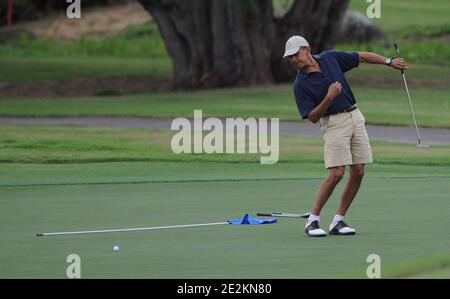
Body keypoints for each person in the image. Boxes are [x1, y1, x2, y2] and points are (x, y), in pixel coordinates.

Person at [283, 36, 407, 237]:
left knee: (358, 171)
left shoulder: (330, 58)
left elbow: (361, 56)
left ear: (306, 49)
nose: (294, 60)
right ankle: (312, 221)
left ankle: (338, 221)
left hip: (355, 116)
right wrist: (329, 97)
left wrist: (389, 62)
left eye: (296, 54)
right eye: (290, 58)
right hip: (333, 123)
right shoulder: (301, 84)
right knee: (337, 173)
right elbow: (312, 117)